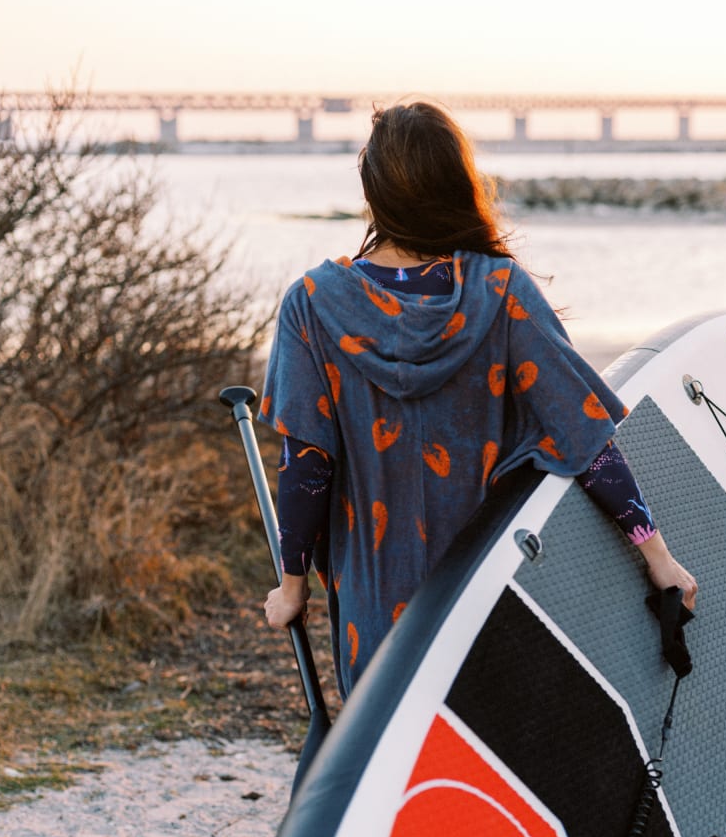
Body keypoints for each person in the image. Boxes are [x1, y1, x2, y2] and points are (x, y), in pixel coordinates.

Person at [259, 100, 696, 698]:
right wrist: (657, 557)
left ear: (374, 193)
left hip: (371, 600)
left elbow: (307, 463)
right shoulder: (500, 291)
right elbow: (584, 432)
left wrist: (292, 587)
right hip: (486, 585)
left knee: (391, 755)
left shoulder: (310, 304)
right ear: (456, 187)